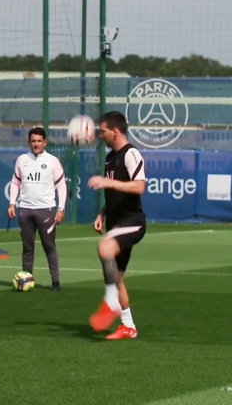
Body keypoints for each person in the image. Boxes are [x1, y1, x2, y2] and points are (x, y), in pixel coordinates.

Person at [87, 111, 146, 340]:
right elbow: (114, 192)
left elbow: (139, 187)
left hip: (133, 222)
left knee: (104, 247)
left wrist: (107, 181)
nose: (100, 135)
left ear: (115, 130)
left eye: (103, 131)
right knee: (117, 277)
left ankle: (110, 302)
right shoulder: (110, 157)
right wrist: (102, 212)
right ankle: (128, 327)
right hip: (116, 222)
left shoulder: (131, 153)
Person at [8, 127, 67, 291]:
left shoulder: (52, 161)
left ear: (45, 142)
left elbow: (61, 186)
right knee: (27, 249)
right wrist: (12, 203)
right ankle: (26, 280)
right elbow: (15, 182)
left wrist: (61, 208)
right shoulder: (21, 160)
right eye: (33, 141)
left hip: (46, 210)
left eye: (39, 141)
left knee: (49, 247)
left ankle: (55, 282)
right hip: (25, 210)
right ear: (29, 142)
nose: (36, 144)